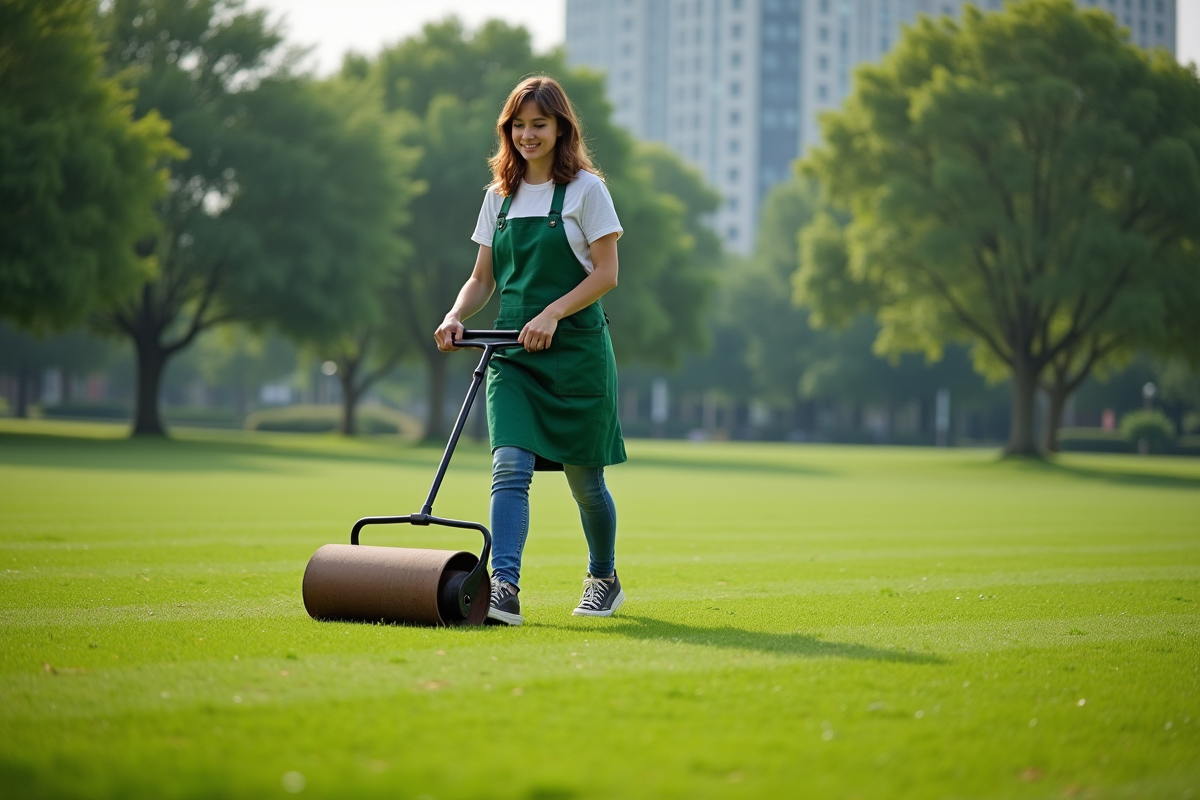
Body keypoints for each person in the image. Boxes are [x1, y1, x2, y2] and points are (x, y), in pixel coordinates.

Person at [434, 76, 626, 627]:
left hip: (578, 353)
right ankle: (504, 588)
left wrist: (552, 314)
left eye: (538, 124)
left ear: (561, 126)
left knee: (585, 484)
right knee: (509, 468)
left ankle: (603, 579)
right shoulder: (498, 196)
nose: (527, 135)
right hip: (513, 356)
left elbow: (607, 274)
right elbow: (480, 280)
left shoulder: (588, 190)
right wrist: (454, 316)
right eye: (517, 125)